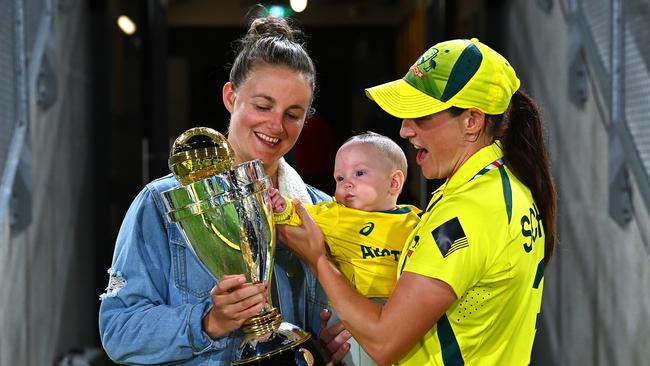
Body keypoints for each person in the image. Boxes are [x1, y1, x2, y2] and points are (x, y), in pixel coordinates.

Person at [278, 38, 557, 365]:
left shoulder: (469, 210)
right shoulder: (507, 187)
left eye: (420, 116)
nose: (405, 130)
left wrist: (319, 260)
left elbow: (384, 342)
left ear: (472, 121)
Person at [98, 16, 350, 365]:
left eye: (293, 114)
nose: (276, 125)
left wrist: (326, 343)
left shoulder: (321, 211)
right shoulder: (164, 203)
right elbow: (119, 331)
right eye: (263, 106)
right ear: (231, 97)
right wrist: (209, 322)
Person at [270, 131, 421, 366]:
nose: (347, 183)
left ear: (394, 182)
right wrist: (281, 207)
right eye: (339, 178)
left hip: (403, 309)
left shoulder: (415, 220)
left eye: (359, 173)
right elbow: (300, 215)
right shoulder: (336, 215)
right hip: (354, 312)